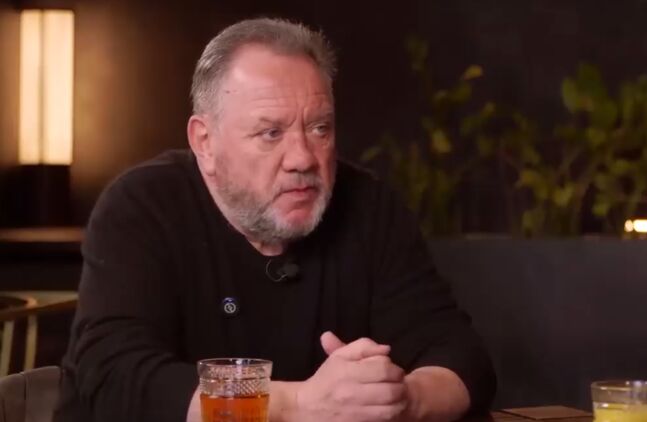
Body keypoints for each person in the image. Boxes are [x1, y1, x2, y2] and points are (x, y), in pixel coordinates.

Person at [54, 17, 496, 422]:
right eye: (271, 133)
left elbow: (461, 357)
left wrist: (401, 399)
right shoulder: (142, 206)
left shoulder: (369, 206)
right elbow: (114, 376)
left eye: (320, 128)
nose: (302, 157)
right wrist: (297, 404)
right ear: (205, 142)